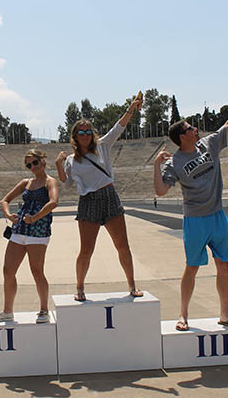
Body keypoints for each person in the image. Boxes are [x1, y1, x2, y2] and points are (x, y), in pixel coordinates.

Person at [153, 89, 228, 331]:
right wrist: (156, 165)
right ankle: (183, 315)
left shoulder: (209, 144)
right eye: (191, 128)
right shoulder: (174, 163)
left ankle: (224, 314)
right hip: (195, 221)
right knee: (192, 267)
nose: (196, 129)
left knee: (223, 264)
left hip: (218, 216)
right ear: (182, 137)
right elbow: (161, 191)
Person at [55, 93, 144, 301]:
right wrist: (59, 165)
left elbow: (119, 126)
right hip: (88, 202)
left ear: (92, 134)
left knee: (122, 245)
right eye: (81, 132)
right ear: (75, 136)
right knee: (86, 249)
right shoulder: (70, 160)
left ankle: (132, 285)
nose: (85, 135)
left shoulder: (103, 145)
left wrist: (131, 108)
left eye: (88, 131)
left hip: (109, 196)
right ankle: (79, 288)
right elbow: (67, 184)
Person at [0, 149, 59, 324]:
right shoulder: (26, 182)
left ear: (42, 160)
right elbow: (5, 200)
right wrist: (8, 214)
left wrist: (35, 218)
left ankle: (44, 310)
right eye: (28, 165)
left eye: (34, 162)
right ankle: (7, 311)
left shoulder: (50, 182)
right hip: (19, 230)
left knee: (37, 271)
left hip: (38, 231)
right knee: (8, 270)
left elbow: (53, 202)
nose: (32, 167)